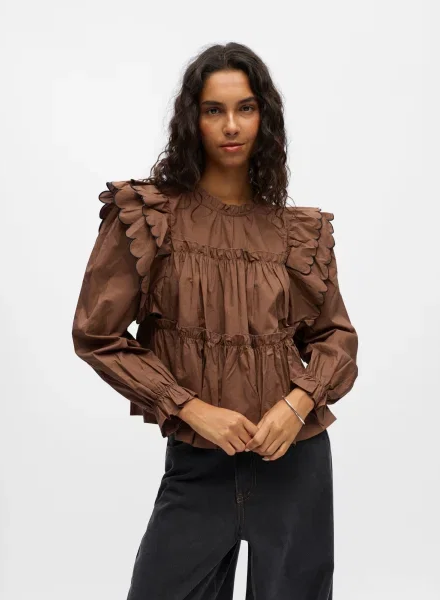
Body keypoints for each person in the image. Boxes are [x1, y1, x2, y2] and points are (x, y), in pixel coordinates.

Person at [72, 42, 359, 600]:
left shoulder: (296, 233)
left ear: (264, 118)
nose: (231, 125)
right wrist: (189, 408)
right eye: (214, 110)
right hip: (198, 465)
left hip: (295, 463)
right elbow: (97, 334)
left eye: (245, 108)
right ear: (192, 120)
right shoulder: (150, 217)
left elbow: (336, 339)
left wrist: (297, 405)